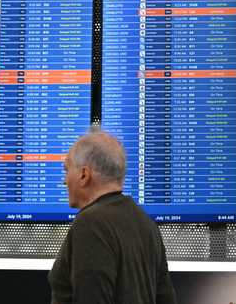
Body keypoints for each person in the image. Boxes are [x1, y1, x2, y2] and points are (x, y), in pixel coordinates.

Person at [49, 129, 177, 304]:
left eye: (67, 169)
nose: (64, 180)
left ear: (84, 174)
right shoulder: (145, 223)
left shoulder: (90, 224)